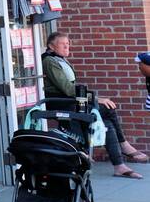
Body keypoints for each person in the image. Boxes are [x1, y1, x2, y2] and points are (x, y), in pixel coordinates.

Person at [43, 32, 147, 178]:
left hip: (71, 101)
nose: (67, 46)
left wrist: (95, 99)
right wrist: (96, 99)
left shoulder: (60, 60)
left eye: (68, 43)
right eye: (62, 44)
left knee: (105, 121)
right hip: (61, 103)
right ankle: (123, 147)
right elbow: (67, 89)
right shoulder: (49, 61)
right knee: (106, 109)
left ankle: (119, 166)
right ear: (51, 46)